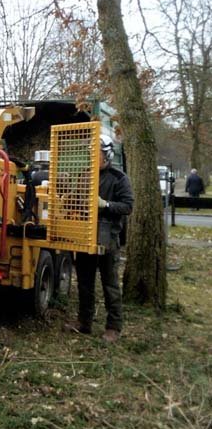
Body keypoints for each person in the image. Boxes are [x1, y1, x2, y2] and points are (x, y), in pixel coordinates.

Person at [65, 134, 134, 343]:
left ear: (108, 154)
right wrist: (68, 196)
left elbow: (128, 206)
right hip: (85, 235)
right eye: (91, 153)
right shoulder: (85, 175)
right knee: (85, 281)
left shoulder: (119, 178)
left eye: (98, 154)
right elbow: (75, 201)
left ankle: (114, 327)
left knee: (110, 283)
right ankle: (84, 322)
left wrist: (105, 204)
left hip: (108, 236)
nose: (94, 157)